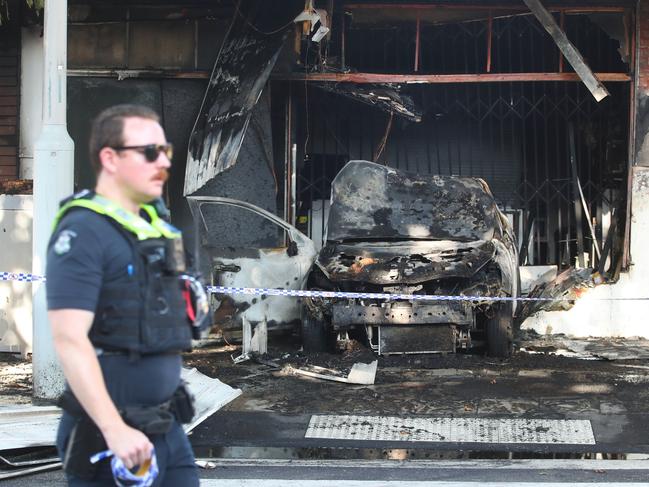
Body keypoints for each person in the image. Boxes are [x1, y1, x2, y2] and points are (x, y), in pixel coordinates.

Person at [47, 104, 200, 486]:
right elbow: (69, 338)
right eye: (149, 152)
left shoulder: (152, 228)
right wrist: (114, 428)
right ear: (110, 158)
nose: (161, 163)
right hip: (112, 438)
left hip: (165, 427)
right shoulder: (83, 231)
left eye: (165, 151)